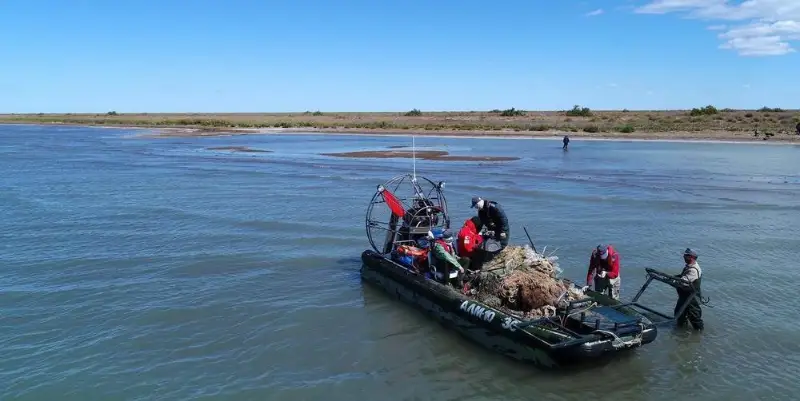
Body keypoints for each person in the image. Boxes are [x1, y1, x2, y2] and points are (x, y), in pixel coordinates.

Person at [674, 248, 704, 331]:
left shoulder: (693, 270)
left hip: (691, 299)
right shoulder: (690, 266)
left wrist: (672, 280)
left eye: (685, 255)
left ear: (691, 257)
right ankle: (681, 334)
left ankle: (699, 335)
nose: (683, 256)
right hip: (684, 297)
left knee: (695, 319)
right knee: (679, 315)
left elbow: (683, 282)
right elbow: (682, 277)